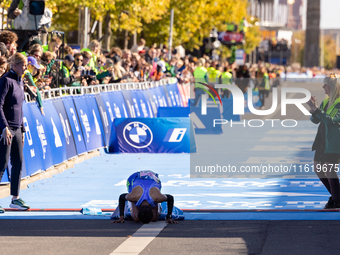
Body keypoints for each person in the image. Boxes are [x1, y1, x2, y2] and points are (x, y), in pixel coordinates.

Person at [0, 53, 30, 213]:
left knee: (18, 162)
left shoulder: (20, 82)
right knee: (2, 163)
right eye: (23, 65)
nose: (25, 68)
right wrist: (4, 127)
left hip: (17, 129)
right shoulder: (6, 81)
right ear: (15, 65)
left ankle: (15, 198)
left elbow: (20, 108)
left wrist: (22, 129)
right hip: (6, 130)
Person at [307, 74, 340, 209]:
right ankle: (336, 195)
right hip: (322, 139)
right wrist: (313, 110)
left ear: (333, 87)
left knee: (329, 169)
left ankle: (337, 199)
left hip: (333, 141)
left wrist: (317, 110)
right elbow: (316, 120)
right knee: (318, 168)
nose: (323, 87)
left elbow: (331, 120)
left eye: (326, 84)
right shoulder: (326, 101)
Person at [112, 170, 178, 224]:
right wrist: (121, 217)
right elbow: (121, 197)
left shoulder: (157, 197)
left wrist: (169, 217)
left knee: (154, 219)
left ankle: (155, 204)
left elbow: (171, 198)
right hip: (134, 178)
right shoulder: (133, 196)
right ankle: (133, 204)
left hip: (153, 178)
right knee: (136, 219)